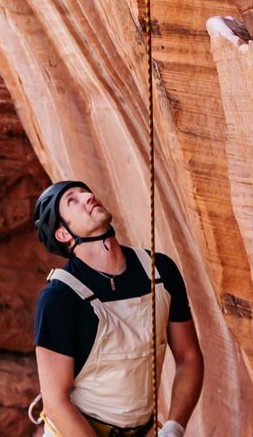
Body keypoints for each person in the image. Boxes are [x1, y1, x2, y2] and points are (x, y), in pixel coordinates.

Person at [33, 179, 204, 437]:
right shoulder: (59, 298)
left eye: (85, 191)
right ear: (63, 234)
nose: (88, 196)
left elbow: (188, 357)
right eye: (72, 200)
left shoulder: (160, 272)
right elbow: (56, 403)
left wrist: (173, 428)